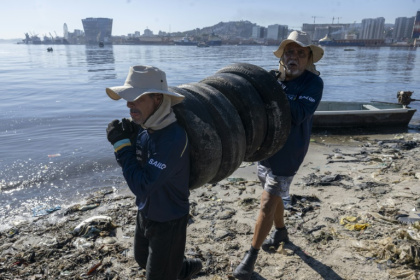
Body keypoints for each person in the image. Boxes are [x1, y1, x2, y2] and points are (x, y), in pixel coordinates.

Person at [233, 31, 325, 279]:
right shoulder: (275, 80)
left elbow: (296, 114)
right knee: (273, 198)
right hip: (265, 150)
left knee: (266, 203)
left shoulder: (313, 84)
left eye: (300, 53)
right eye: (290, 52)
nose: (294, 57)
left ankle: (249, 259)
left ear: (308, 59)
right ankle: (281, 232)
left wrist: (272, 91)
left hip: (289, 154)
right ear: (283, 56)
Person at [105, 65, 202, 280]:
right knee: (142, 259)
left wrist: (122, 147)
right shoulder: (147, 127)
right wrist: (130, 138)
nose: (129, 104)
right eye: (128, 98)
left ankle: (183, 267)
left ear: (158, 99)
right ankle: (181, 268)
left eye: (137, 98)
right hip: (146, 212)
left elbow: (142, 185)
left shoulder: (172, 138)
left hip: (169, 219)